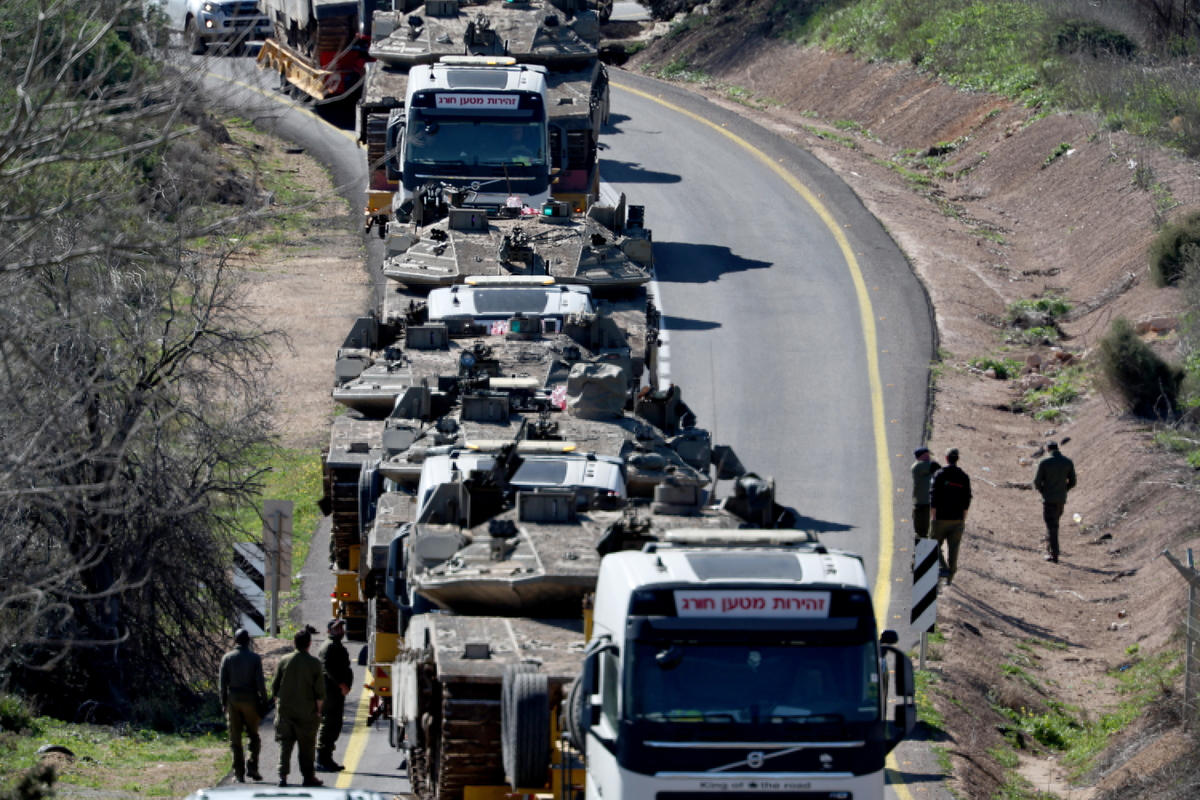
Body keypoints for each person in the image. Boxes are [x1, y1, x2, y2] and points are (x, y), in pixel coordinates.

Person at [272, 627, 326, 787]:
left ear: (294, 643)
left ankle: (282, 776)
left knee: (285, 744)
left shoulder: (284, 660)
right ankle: (308, 777)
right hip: (306, 712)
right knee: (307, 746)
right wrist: (318, 711)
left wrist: (279, 706)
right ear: (309, 644)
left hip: (286, 711)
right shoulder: (314, 664)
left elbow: (275, 688)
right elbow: (319, 693)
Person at [219, 629, 268, 783]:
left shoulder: (227, 658)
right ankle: (252, 766)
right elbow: (260, 682)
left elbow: (222, 683)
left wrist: (224, 702)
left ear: (235, 640)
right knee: (253, 735)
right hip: (250, 700)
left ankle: (238, 773)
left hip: (233, 700)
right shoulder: (254, 658)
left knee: (235, 739)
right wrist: (264, 702)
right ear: (248, 641)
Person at [930, 447, 972, 585]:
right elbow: (967, 500)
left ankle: (943, 567)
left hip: (941, 517)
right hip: (958, 519)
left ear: (946, 458)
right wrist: (963, 518)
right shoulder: (964, 477)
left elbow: (934, 497)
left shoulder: (940, 474)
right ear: (957, 459)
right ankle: (950, 577)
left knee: (933, 544)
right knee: (954, 548)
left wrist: (934, 518)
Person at [317, 619, 354, 772]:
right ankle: (322, 759)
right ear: (328, 631)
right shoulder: (329, 646)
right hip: (330, 691)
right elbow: (328, 669)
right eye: (336, 629)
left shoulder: (337, 645)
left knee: (335, 724)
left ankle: (328, 758)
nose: (340, 631)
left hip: (336, 692)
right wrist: (342, 684)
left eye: (341, 628)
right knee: (329, 723)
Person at [1034, 440, 1077, 563]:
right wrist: (1063, 490)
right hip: (1061, 499)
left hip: (1048, 499)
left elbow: (1036, 482)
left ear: (1047, 449)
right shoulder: (1067, 462)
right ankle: (1050, 550)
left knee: (1051, 526)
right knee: (1054, 523)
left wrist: (1043, 491)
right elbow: (1073, 482)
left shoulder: (1043, 462)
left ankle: (1054, 554)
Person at [910, 446, 942, 547]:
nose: (929, 458)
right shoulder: (918, 466)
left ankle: (928, 556)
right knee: (921, 533)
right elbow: (936, 467)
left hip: (929, 504)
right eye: (927, 455)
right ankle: (919, 556)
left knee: (932, 533)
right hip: (922, 505)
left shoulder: (926, 468)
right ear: (921, 456)